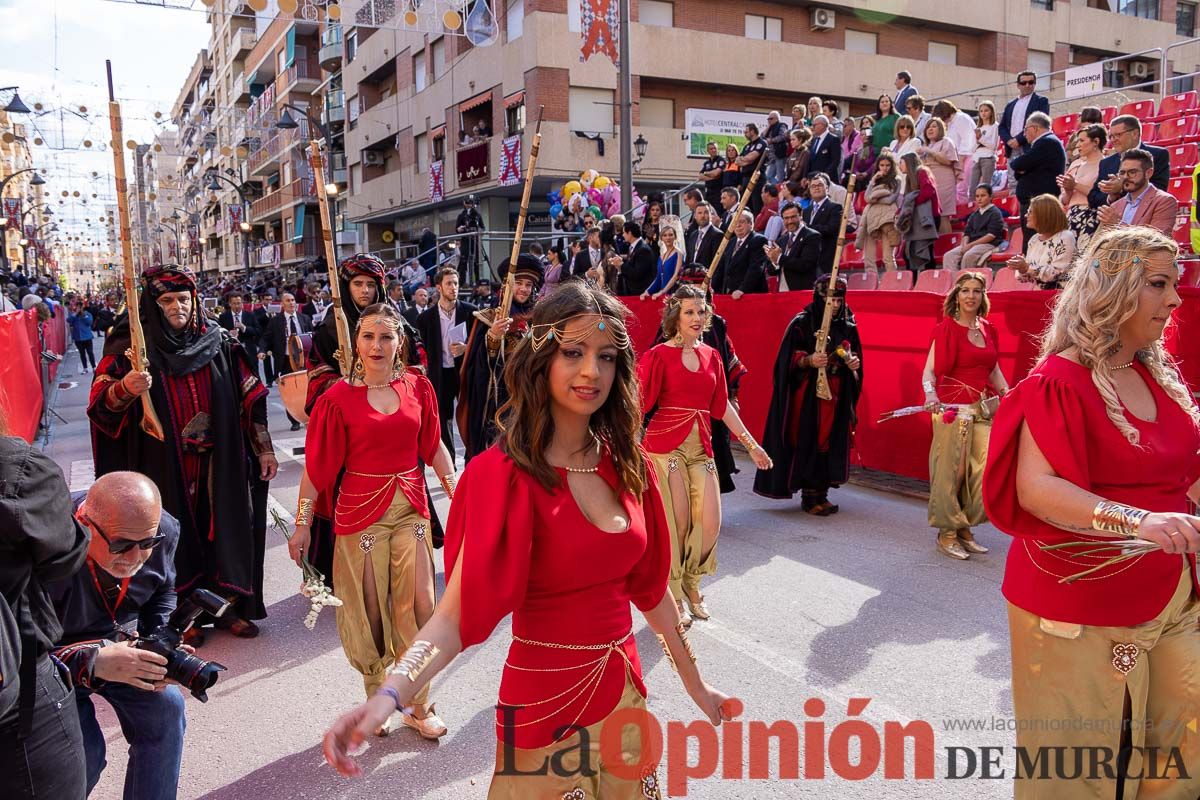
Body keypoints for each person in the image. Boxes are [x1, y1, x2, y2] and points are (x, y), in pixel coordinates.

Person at [320, 281, 735, 797]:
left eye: (606, 357)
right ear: (541, 358)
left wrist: (697, 687)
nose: (591, 371)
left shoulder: (631, 468)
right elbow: (451, 616)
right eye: (573, 352)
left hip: (623, 698)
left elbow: (653, 593)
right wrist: (388, 697)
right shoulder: (500, 477)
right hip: (543, 707)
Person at [982, 226, 1200, 800]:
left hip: (1173, 596)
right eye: (1158, 284)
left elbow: (1184, 472)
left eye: (1175, 284)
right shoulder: (1059, 381)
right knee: (1081, 775)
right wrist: (1140, 522)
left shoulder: (1156, 374)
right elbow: (1036, 488)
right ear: (1114, 289)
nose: (1175, 299)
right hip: (1082, 606)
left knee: (1181, 754)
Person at [88, 265, 276, 643]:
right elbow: (100, 406)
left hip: (218, 461)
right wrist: (125, 387)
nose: (178, 307)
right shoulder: (131, 347)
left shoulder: (219, 341)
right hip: (163, 464)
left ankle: (227, 610)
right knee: (171, 539)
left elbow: (250, 397)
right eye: (168, 300)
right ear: (153, 306)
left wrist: (265, 448)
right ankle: (180, 617)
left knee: (223, 532)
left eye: (184, 298)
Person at [294, 303, 455, 739]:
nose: (378, 345)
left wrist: (455, 492)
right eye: (369, 336)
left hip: (411, 509)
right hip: (359, 515)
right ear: (356, 344)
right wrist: (303, 524)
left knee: (419, 607)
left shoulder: (418, 388)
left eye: (387, 336)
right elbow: (316, 468)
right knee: (369, 614)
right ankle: (376, 700)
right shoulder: (336, 399)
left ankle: (419, 704)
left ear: (400, 341)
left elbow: (433, 446)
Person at [49, 472, 187, 800]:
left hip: (123, 644)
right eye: (122, 545)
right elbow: (21, 646)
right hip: (52, 658)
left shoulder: (163, 528)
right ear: (83, 522)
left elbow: (163, 589)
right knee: (84, 760)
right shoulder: (45, 541)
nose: (136, 557)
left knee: (165, 708)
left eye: (148, 544)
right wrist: (93, 660)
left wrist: (159, 641)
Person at [639, 284, 772, 626]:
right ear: (675, 317)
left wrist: (751, 444)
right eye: (689, 312)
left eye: (701, 311)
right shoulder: (657, 356)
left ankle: (693, 582)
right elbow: (637, 405)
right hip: (664, 446)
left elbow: (722, 405)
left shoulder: (712, 356)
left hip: (702, 445)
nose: (697, 318)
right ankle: (674, 594)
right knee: (678, 524)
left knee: (710, 522)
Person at [0, 421, 90, 800]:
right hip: (18, 689)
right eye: (123, 545)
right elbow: (61, 558)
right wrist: (299, 522)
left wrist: (299, 525)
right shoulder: (16, 470)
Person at [754, 274, 863, 515]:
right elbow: (786, 361)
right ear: (819, 298)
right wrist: (807, 361)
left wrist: (853, 364)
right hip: (809, 397)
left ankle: (821, 493)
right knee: (811, 439)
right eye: (830, 300)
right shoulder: (802, 323)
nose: (835, 305)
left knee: (829, 441)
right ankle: (809, 496)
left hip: (836, 394)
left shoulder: (847, 325)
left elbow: (851, 354)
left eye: (838, 300)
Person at [921, 273, 1008, 560]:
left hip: (981, 410)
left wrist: (1008, 393)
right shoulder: (946, 329)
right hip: (952, 410)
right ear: (956, 295)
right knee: (953, 472)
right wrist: (930, 395)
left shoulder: (988, 329)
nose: (971, 295)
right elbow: (929, 371)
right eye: (966, 290)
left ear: (983, 296)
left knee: (980, 472)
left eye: (977, 290)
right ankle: (947, 532)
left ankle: (964, 526)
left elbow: (993, 369)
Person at [650, 265, 749, 496]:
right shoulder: (670, 327)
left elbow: (728, 362)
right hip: (676, 410)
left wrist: (732, 395)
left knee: (708, 468)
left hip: (709, 409)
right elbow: (655, 365)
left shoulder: (717, 325)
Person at [458, 255, 544, 462]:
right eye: (518, 283)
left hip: (532, 399)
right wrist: (493, 338)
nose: (523, 289)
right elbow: (477, 367)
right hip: (500, 401)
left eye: (528, 285)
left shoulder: (540, 319)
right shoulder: (488, 318)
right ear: (507, 286)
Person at [416, 267, 477, 463]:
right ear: (439, 287)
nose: (454, 288)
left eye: (456, 283)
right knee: (443, 420)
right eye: (449, 283)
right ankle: (449, 462)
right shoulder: (425, 318)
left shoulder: (470, 312)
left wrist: (466, 348)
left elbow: (481, 343)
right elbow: (422, 349)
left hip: (464, 371)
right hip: (439, 373)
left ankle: (471, 459)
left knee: (469, 415)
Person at [1010, 112, 1066, 253]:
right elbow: (1019, 168)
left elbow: (1018, 163)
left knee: (1034, 247)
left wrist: (1022, 168)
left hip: (1039, 205)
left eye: (1026, 129)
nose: (1024, 134)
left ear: (1035, 128)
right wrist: (1021, 169)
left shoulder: (1046, 142)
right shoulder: (1045, 142)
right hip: (1034, 203)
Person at [1089, 115, 1171, 210]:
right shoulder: (1106, 163)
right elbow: (1093, 199)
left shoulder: (1158, 155)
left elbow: (1159, 189)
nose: (1113, 140)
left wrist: (1122, 187)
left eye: (1118, 135)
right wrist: (1111, 196)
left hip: (1145, 217)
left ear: (1135, 134)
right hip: (1112, 218)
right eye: (1111, 136)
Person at [1096, 148, 1179, 237]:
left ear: (1148, 173)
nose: (1125, 177)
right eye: (1122, 172)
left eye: (1132, 172)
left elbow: (1155, 242)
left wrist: (1118, 225)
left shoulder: (1164, 201)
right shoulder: (1115, 206)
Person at [261, 292, 313, 430]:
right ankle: (294, 420)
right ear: (282, 304)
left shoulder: (304, 318)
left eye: (293, 300)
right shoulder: (275, 321)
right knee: (290, 391)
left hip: (304, 359)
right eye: (288, 301)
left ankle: (311, 416)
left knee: (309, 388)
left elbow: (313, 336)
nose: (291, 303)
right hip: (285, 360)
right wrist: (262, 350)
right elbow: (266, 338)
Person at [1009, 194, 1077, 290]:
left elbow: (1058, 274)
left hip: (1061, 296)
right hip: (1038, 294)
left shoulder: (1065, 237)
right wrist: (1021, 269)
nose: (1025, 215)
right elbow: (1028, 275)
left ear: (1044, 214)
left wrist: (1027, 268)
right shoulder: (1034, 239)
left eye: (1030, 212)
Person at [1058, 123, 1106, 254]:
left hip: (1092, 216)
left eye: (1082, 140)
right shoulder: (1075, 164)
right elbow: (1064, 199)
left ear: (1096, 142)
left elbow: (1100, 195)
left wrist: (1075, 185)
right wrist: (1067, 190)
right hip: (1071, 216)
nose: (1078, 145)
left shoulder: (1105, 165)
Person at [943, 184, 1006, 271]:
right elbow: (967, 233)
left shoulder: (995, 213)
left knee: (969, 256)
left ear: (991, 197)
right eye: (977, 196)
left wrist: (971, 245)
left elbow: (991, 235)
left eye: (983, 196)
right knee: (949, 256)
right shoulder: (974, 214)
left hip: (989, 244)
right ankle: (955, 282)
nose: (979, 199)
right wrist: (965, 245)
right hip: (971, 244)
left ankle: (968, 282)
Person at [858, 153, 902, 273]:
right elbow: (867, 198)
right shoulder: (875, 180)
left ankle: (893, 285)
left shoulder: (896, 180)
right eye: (882, 165)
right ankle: (871, 283)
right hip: (871, 219)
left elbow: (890, 200)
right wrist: (872, 181)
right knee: (868, 258)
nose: (884, 168)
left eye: (888, 165)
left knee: (888, 257)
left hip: (888, 220)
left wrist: (874, 199)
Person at [898, 152, 940, 271]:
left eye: (901, 162)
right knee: (908, 253)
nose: (899, 166)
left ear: (908, 162)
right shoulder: (909, 178)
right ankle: (914, 281)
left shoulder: (922, 172)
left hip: (928, 218)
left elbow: (928, 191)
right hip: (916, 220)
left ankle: (928, 280)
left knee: (926, 250)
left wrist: (911, 203)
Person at [765, 202, 822, 291]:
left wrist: (779, 258)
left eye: (793, 217)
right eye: (786, 218)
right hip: (782, 290)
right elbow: (771, 271)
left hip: (803, 291)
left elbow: (805, 264)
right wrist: (774, 261)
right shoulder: (781, 240)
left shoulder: (812, 236)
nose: (790, 221)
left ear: (801, 216)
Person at [918, 117, 962, 233]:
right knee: (931, 214)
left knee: (943, 214)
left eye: (933, 126)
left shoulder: (946, 141)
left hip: (944, 181)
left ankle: (946, 245)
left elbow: (948, 161)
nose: (930, 129)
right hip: (929, 182)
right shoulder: (926, 147)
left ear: (941, 129)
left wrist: (929, 151)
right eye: (928, 127)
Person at [712, 209, 768, 298]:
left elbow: (756, 268)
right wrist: (712, 287)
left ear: (751, 224)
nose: (738, 225)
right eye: (735, 222)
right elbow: (721, 268)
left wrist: (742, 289)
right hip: (729, 294)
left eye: (742, 222)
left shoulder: (759, 240)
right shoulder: (730, 242)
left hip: (749, 295)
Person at [998, 70, 1050, 160]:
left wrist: (1018, 140)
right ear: (1018, 85)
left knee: (1030, 174)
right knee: (1012, 174)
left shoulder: (1041, 101)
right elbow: (1002, 126)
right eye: (1023, 83)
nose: (1027, 85)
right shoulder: (1010, 105)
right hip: (1011, 149)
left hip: (1030, 147)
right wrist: (1009, 140)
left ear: (1035, 84)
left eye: (1031, 82)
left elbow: (1040, 123)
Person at [802, 174, 844, 273]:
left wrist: (807, 228)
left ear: (827, 188)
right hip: (808, 260)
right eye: (813, 186)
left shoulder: (835, 207)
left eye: (820, 185)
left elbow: (831, 229)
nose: (816, 188)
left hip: (826, 258)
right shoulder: (806, 211)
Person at [641, 214, 685, 300]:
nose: (668, 237)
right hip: (662, 295)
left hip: (674, 294)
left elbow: (675, 276)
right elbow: (658, 278)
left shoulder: (679, 253)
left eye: (670, 235)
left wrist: (662, 292)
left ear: (675, 237)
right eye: (665, 235)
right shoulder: (662, 256)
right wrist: (647, 292)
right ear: (661, 238)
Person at [612, 220, 658, 297]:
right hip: (632, 292)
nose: (623, 235)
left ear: (629, 233)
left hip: (640, 294)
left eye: (624, 233)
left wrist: (621, 264)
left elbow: (637, 273)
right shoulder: (633, 247)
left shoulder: (643, 249)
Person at [737, 123, 768, 214]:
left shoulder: (761, 143)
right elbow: (737, 161)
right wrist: (747, 160)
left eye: (746, 132)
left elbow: (752, 157)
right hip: (745, 178)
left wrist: (746, 160)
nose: (745, 134)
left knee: (756, 205)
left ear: (752, 131)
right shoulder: (747, 146)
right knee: (745, 206)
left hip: (757, 178)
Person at [971, 101, 1000, 193]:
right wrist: (978, 140)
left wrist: (981, 138)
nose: (983, 113)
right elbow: (972, 147)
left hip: (988, 158)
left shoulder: (995, 126)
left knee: (986, 187)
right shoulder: (978, 127)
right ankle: (972, 206)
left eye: (986, 110)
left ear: (991, 111)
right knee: (972, 188)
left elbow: (993, 145)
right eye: (981, 111)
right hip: (976, 158)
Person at [455, 195, 484, 284]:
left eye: (470, 203)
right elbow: (456, 229)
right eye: (467, 203)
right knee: (463, 261)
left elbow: (482, 227)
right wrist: (460, 229)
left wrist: (479, 232)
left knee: (477, 261)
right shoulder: (461, 215)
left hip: (475, 240)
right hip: (465, 240)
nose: (468, 205)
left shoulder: (477, 215)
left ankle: (478, 281)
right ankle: (462, 282)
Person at [685, 202, 723, 269]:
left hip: (707, 277)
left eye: (706, 212)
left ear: (710, 215)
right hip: (691, 277)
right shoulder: (693, 235)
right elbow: (688, 260)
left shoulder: (718, 235)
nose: (702, 216)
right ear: (695, 216)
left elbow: (718, 264)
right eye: (699, 213)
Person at [807, 115, 842, 181]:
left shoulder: (833, 139)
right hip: (813, 178)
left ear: (823, 125)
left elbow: (835, 161)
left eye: (815, 125)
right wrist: (806, 176)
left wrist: (824, 175)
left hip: (827, 179)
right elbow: (810, 160)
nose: (812, 127)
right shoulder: (814, 140)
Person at [68, 297, 96, 373]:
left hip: (87, 337)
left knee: (90, 352)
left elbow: (90, 322)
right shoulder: (74, 316)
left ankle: (94, 367)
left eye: (80, 307)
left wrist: (83, 315)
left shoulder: (87, 314)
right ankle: (85, 368)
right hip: (78, 338)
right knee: (82, 353)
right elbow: (69, 320)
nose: (79, 308)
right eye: (77, 307)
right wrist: (75, 313)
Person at [764, 110, 790, 186]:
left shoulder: (781, 125)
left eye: (771, 118)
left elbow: (783, 137)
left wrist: (772, 140)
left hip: (779, 155)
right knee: (768, 176)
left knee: (780, 176)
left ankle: (781, 189)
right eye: (768, 119)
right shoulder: (769, 128)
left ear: (776, 119)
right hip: (771, 157)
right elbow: (762, 136)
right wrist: (768, 126)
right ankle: (778, 187)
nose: (769, 120)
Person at [698, 141, 727, 209]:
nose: (713, 150)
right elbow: (700, 176)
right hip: (708, 191)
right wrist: (713, 177)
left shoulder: (721, 160)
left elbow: (716, 173)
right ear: (708, 151)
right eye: (711, 149)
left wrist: (706, 173)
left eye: (715, 148)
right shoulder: (707, 163)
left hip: (718, 191)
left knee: (717, 210)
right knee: (708, 210)